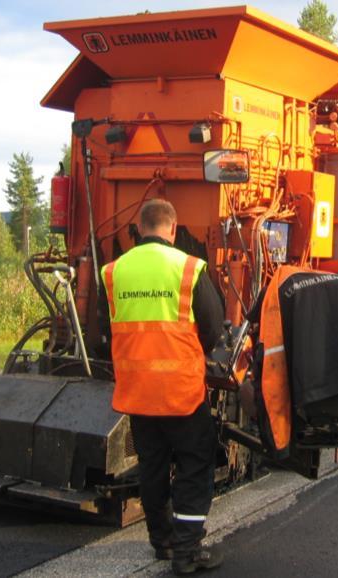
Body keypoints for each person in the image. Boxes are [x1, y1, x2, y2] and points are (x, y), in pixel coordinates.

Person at [101, 199, 224, 575]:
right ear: (172, 230)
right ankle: (187, 551)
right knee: (194, 463)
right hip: (182, 392)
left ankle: (163, 542)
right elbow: (213, 325)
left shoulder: (113, 272)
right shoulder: (188, 267)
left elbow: (110, 329)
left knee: (151, 465)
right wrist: (192, 354)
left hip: (137, 392)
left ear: (139, 228)